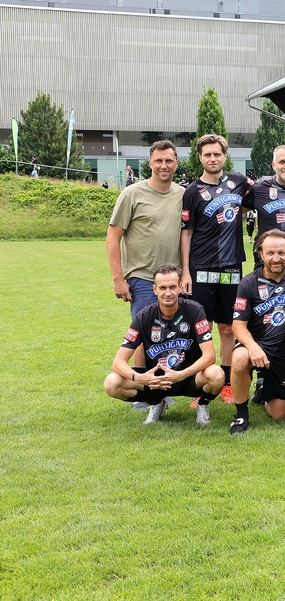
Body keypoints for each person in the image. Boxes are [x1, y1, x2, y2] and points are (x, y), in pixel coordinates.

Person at [107, 140, 185, 409]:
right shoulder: (132, 194)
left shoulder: (182, 194)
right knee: (144, 334)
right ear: (150, 163)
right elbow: (112, 236)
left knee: (171, 336)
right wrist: (119, 278)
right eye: (159, 161)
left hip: (174, 280)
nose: (164, 166)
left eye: (169, 161)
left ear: (176, 163)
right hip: (142, 278)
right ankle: (145, 392)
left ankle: (167, 387)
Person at [103, 264, 224, 425]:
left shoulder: (195, 310)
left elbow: (210, 356)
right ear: (155, 290)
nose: (168, 293)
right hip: (155, 380)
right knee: (111, 383)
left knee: (217, 374)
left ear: (180, 287)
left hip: (188, 377)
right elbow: (118, 362)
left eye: (173, 287)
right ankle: (156, 403)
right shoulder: (143, 316)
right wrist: (140, 378)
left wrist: (181, 374)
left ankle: (202, 404)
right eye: (163, 287)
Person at [179, 134, 252, 403]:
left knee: (229, 328)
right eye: (207, 154)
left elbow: (268, 190)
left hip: (231, 268)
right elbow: (186, 233)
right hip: (201, 269)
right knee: (201, 327)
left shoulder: (238, 182)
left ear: (225, 155)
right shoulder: (192, 191)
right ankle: (201, 384)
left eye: (217, 154)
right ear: (200, 157)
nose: (213, 158)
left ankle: (229, 381)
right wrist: (185, 272)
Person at [228, 230, 285, 434]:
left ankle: (263, 389)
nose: (276, 259)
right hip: (258, 346)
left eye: (281, 253)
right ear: (261, 254)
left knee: (280, 415)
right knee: (240, 358)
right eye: (270, 253)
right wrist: (253, 347)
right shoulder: (248, 283)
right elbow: (237, 325)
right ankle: (241, 415)